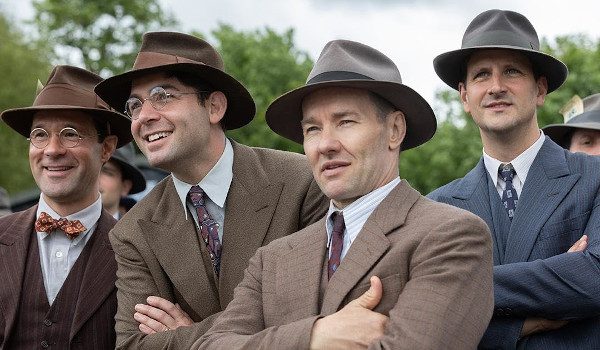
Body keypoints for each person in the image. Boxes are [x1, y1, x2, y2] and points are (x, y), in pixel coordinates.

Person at [196, 39, 494, 350]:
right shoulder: (272, 259)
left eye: (345, 122)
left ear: (394, 130)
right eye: (312, 129)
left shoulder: (450, 235)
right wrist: (314, 337)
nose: (325, 144)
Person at [93, 31, 329, 349]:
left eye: (163, 96)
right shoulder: (133, 231)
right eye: (134, 105)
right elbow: (133, 345)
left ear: (214, 107)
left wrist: (195, 335)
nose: (144, 116)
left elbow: (320, 302)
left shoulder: (301, 182)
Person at [427, 9, 600, 349]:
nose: (496, 87)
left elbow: (595, 277)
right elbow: (425, 316)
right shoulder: (436, 207)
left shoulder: (593, 176)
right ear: (464, 97)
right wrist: (523, 322)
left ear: (540, 89)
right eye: (481, 75)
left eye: (511, 71)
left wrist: (458, 286)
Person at [0, 65, 132, 349]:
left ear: (106, 149)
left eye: (70, 134)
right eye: (39, 134)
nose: (52, 149)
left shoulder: (137, 250)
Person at [100, 142, 146, 219]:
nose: (95, 177)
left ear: (125, 187)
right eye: (90, 170)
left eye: (107, 173)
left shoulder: (138, 230)